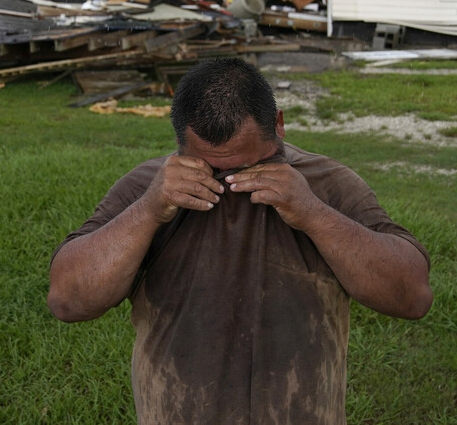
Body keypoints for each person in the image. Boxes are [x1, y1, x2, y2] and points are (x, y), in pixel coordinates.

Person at [48, 57, 432, 424]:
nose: (232, 183)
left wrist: (313, 213)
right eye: (212, 168)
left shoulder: (327, 182)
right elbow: (68, 300)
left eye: (250, 165)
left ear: (278, 125)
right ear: (181, 141)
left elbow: (412, 296)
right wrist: (149, 210)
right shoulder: (150, 187)